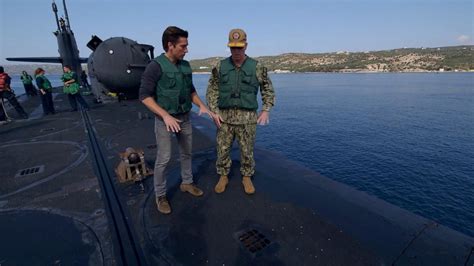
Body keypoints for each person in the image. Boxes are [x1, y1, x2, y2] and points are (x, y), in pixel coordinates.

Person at [140, 26, 214, 214]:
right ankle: (161, 195)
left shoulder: (186, 66)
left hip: (184, 118)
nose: (186, 50)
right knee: (164, 158)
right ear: (170, 45)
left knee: (187, 153)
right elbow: (144, 96)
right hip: (165, 120)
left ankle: (187, 183)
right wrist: (165, 115)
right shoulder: (155, 66)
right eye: (183, 46)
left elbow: (191, 91)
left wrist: (202, 105)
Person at [206, 29, 275, 195]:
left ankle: (246, 176)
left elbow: (267, 89)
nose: (236, 51)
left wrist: (266, 110)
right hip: (224, 118)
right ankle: (223, 175)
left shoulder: (258, 67)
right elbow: (212, 89)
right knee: (222, 149)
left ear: (246, 45)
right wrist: (214, 111)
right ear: (229, 47)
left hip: (248, 118)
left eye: (239, 47)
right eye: (233, 48)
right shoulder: (220, 66)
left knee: (247, 150)